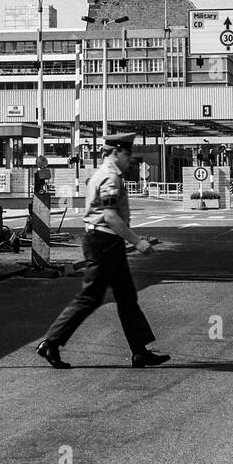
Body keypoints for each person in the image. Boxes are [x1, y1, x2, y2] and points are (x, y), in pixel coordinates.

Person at [36, 133, 170, 369]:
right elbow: (110, 216)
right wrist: (137, 241)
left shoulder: (104, 174)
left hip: (108, 242)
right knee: (90, 297)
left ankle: (140, 351)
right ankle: (51, 342)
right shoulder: (110, 178)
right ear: (115, 152)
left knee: (127, 297)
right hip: (103, 242)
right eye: (127, 155)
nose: (130, 160)